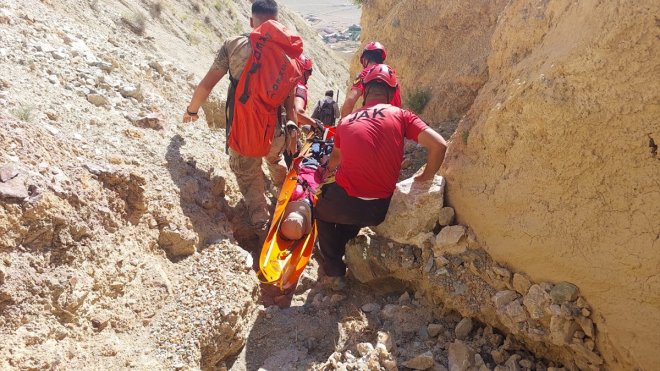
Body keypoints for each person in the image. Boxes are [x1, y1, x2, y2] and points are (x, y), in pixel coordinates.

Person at [315, 64, 447, 290]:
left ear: (365, 93)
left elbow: (334, 161)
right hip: (379, 210)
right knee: (347, 207)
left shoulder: (346, 121)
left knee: (322, 211)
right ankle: (347, 242)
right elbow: (439, 145)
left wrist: (322, 179)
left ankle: (334, 270)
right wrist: (426, 176)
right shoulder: (402, 115)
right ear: (392, 92)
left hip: (346, 205)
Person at [182, 0, 296, 236]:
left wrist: (192, 110)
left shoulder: (234, 45)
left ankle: (260, 221)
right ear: (276, 21)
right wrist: (292, 124)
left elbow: (207, 84)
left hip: (242, 128)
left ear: (251, 20)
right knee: (274, 160)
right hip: (274, 129)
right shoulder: (285, 52)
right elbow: (289, 95)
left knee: (248, 173)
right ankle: (289, 197)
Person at [340, 41, 402, 118]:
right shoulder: (392, 74)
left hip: (375, 120)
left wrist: (343, 123)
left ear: (365, 60)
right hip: (396, 120)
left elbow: (350, 101)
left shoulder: (365, 73)